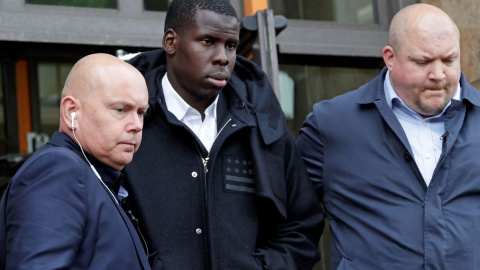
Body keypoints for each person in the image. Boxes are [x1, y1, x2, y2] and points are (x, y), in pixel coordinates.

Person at [121, 0, 323, 269]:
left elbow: (302, 226)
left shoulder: (263, 124)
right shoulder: (128, 122)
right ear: (171, 42)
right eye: (207, 41)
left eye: (230, 45)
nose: (223, 57)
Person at [296, 3, 480, 269]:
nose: (438, 75)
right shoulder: (331, 125)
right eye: (423, 61)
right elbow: (288, 224)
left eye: (449, 60)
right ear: (390, 58)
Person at [0, 53, 151, 269]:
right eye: (121, 110)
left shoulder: (92, 173)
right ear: (72, 111)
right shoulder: (57, 170)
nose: (136, 125)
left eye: (141, 112)